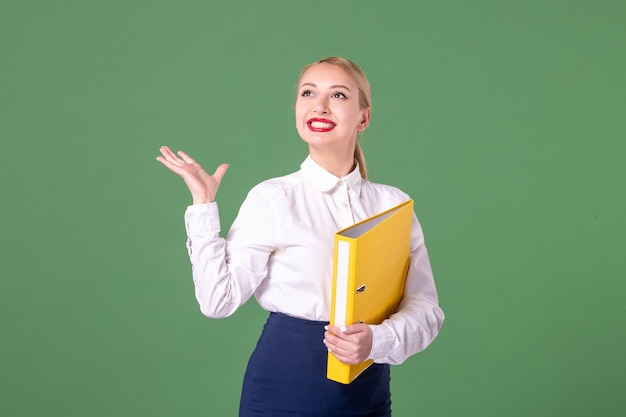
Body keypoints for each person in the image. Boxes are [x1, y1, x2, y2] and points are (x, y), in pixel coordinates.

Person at [156, 56, 444, 417]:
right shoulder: (273, 198)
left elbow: (426, 310)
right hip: (285, 386)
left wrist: (376, 340)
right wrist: (203, 206)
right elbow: (218, 301)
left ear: (363, 118)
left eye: (338, 95)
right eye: (308, 93)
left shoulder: (394, 205)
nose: (319, 105)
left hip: (368, 390)